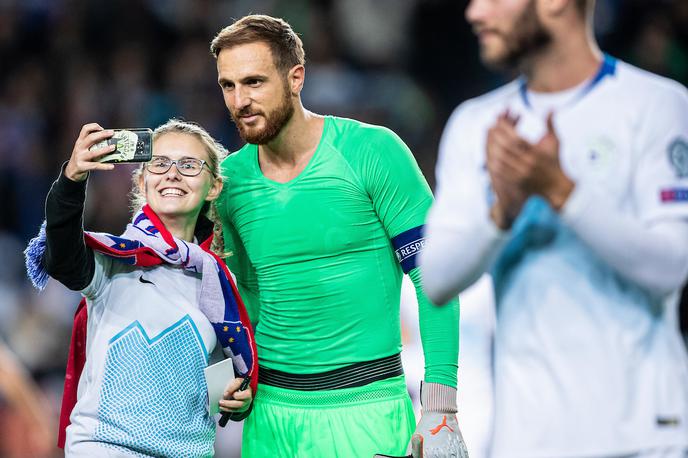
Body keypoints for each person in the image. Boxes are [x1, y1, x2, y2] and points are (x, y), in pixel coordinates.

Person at [421, 0, 688, 457]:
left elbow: (671, 267)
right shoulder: (476, 123)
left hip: (640, 438)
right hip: (524, 440)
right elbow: (438, 279)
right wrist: (502, 211)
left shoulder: (657, 105)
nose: (474, 13)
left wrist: (563, 192)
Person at [210, 14, 467, 458]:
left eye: (253, 81)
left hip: (367, 413)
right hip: (270, 421)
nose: (240, 100)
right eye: (228, 86)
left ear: (296, 78)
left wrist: (441, 406)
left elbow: (435, 279)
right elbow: (234, 301)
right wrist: (230, 383)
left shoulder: (372, 151)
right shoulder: (227, 183)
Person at [24, 120, 257, 456]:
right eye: (159, 163)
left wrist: (237, 398)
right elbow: (61, 257)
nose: (173, 174)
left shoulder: (218, 282)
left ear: (214, 186)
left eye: (189, 165)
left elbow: (219, 385)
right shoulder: (114, 260)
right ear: (142, 181)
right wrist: (72, 180)